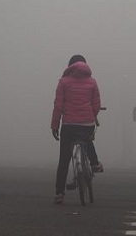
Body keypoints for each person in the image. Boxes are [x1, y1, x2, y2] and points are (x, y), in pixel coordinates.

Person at [51, 55, 103, 204]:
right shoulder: (92, 82)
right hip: (87, 123)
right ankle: (94, 163)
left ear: (70, 66)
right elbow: (96, 104)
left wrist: (55, 125)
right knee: (87, 139)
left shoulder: (64, 82)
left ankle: (59, 193)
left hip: (68, 125)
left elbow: (58, 106)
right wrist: (91, 115)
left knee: (64, 159)